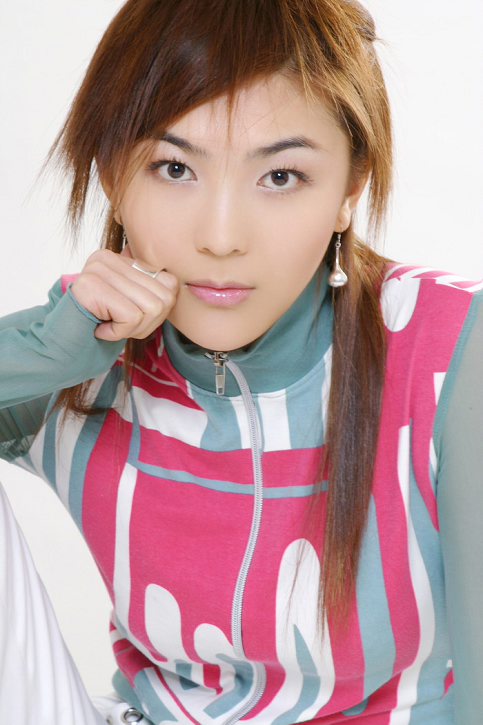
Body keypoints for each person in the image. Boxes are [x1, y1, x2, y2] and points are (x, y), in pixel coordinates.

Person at [0, 0, 481, 723]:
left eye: (280, 176)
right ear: (112, 175)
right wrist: (44, 348)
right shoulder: (82, 360)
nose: (221, 237)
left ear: (349, 189)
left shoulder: (451, 351)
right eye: (173, 167)